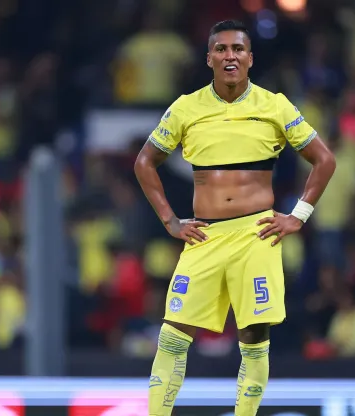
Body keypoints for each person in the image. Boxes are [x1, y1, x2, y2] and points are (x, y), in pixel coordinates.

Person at [134, 20, 336, 416]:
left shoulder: (274, 105)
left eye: (238, 49)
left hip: (255, 235)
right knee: (172, 336)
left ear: (250, 58)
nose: (230, 55)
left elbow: (324, 160)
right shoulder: (185, 107)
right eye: (222, 49)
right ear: (209, 58)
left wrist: (298, 216)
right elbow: (145, 162)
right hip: (204, 236)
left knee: (254, 337)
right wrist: (170, 222)